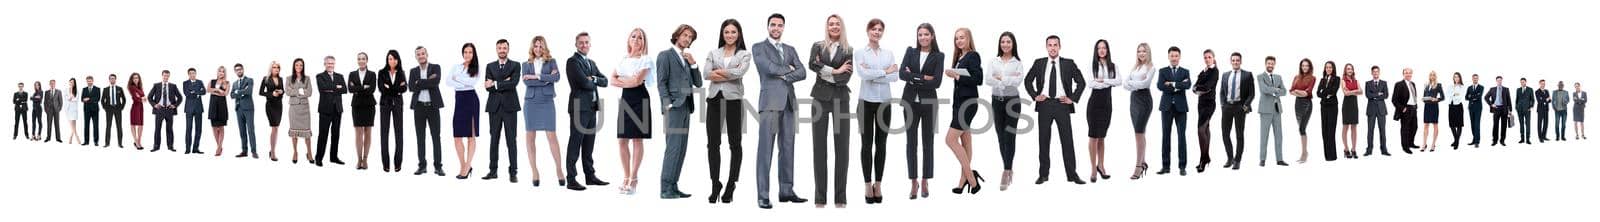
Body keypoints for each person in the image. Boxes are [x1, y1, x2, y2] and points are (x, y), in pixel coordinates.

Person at [754, 14, 811, 209]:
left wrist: (785, 73)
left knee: (787, 149)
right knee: (765, 151)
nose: (776, 28)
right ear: (767, 26)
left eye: (780, 25)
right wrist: (789, 69)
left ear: (783, 27)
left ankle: (786, 190)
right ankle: (763, 195)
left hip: (789, 103)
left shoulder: (790, 49)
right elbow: (768, 68)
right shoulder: (758, 47)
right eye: (773, 25)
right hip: (769, 103)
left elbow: (803, 72)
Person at [807, 15, 852, 207]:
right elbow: (812, 64)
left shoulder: (848, 49)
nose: (834, 27)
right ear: (827, 27)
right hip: (819, 100)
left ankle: (840, 197)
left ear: (842, 27)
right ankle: (820, 197)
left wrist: (824, 71)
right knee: (819, 148)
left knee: (842, 149)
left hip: (841, 100)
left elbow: (846, 77)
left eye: (837, 24)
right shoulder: (818, 46)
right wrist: (835, 70)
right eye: (831, 24)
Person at [708, 19, 752, 203]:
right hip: (714, 100)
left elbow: (740, 73)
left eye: (733, 32)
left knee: (735, 144)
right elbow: (705, 74)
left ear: (739, 34)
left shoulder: (744, 54)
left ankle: (731, 184)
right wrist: (730, 71)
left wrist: (719, 72)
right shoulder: (713, 52)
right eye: (726, 32)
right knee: (712, 144)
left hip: (733, 101)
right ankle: (715, 184)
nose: (730, 35)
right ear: (722, 34)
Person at [659, 25, 703, 200]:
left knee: (681, 149)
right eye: (685, 35)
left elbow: (698, 83)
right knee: (673, 147)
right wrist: (667, 104)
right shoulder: (665, 55)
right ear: (677, 35)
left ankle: (673, 185)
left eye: (690, 37)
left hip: (687, 107)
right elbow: (661, 82)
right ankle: (665, 188)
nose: (687, 39)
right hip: (675, 107)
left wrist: (693, 64)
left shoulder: (687, 58)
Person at [564, 33, 612, 189]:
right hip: (579, 108)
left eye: (586, 42)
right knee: (575, 142)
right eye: (581, 43)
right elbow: (584, 83)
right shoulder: (572, 62)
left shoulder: (591, 62)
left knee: (589, 144)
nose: (584, 45)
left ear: (590, 44)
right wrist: (591, 80)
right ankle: (571, 179)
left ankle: (590, 176)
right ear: (576, 44)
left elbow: (605, 81)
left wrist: (595, 79)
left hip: (592, 108)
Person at [943, 27, 985, 194]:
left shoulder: (973, 55)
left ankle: (972, 179)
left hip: (967, 104)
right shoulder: (959, 57)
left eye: (962, 37)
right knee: (965, 143)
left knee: (950, 140)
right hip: (958, 103)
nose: (959, 41)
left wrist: (957, 76)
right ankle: (962, 181)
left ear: (968, 39)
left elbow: (978, 79)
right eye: (956, 38)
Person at [612, 29, 653, 195]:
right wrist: (629, 81)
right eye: (634, 36)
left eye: (640, 37)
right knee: (622, 140)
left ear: (644, 42)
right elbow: (611, 80)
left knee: (637, 139)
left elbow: (638, 81)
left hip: (640, 99)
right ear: (629, 39)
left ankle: (634, 179)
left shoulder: (646, 59)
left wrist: (624, 80)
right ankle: (626, 176)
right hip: (626, 99)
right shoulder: (623, 59)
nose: (636, 39)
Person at [521, 37, 563, 186]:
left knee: (552, 136)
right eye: (535, 46)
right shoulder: (525, 64)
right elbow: (526, 82)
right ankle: (534, 171)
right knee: (530, 137)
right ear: (532, 48)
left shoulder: (552, 62)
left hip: (547, 101)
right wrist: (546, 79)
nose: (538, 49)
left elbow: (557, 77)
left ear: (544, 47)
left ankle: (559, 169)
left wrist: (536, 76)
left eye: (540, 46)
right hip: (531, 102)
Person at [987, 32, 1024, 187]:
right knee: (1001, 136)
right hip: (996, 102)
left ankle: (1007, 170)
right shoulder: (994, 61)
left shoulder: (1018, 63)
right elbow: (988, 79)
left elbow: (1018, 82)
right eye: (1003, 42)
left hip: (1012, 102)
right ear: (999, 44)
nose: (1006, 44)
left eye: (1008, 42)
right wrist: (1006, 81)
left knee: (1010, 136)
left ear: (1013, 44)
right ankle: (1007, 167)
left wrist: (1000, 79)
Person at [483, 40, 522, 182]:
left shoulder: (516, 65)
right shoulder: (490, 66)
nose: (502, 50)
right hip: (494, 107)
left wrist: (496, 82)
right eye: (499, 48)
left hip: (510, 107)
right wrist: (504, 81)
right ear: (496, 49)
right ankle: (492, 171)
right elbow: (487, 87)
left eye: (504, 48)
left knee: (511, 140)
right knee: (494, 140)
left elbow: (514, 83)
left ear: (508, 49)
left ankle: (513, 172)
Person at [410, 47, 447, 176]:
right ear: (416, 57)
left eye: (422, 53)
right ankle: (422, 166)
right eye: (418, 54)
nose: (421, 56)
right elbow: (411, 87)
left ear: (427, 54)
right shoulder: (413, 71)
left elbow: (435, 82)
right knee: (420, 138)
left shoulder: (436, 67)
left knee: (436, 137)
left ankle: (438, 167)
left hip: (433, 107)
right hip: (419, 107)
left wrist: (419, 82)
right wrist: (427, 81)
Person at [449, 43, 484, 179]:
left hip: (471, 100)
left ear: (473, 54)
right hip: (459, 101)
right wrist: (462, 81)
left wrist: (457, 79)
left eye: (470, 52)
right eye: (465, 52)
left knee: (471, 135)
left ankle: (467, 165)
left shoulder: (477, 68)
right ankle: (464, 165)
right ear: (462, 53)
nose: (467, 54)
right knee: (457, 136)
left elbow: (472, 83)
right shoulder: (456, 67)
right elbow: (448, 81)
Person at [1085, 39, 1118, 179]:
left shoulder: (1113, 66)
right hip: (1094, 104)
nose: (1102, 50)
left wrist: (1103, 81)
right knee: (1093, 137)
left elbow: (1119, 81)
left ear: (1107, 50)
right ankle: (1093, 168)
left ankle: (1101, 165)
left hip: (1107, 104)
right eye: (1099, 48)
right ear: (1096, 50)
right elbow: (1091, 84)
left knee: (1102, 137)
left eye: (1104, 48)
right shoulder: (1092, 65)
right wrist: (1107, 82)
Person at [1155, 46, 1191, 174]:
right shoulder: (1162, 71)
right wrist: (1178, 85)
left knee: (1182, 137)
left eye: (1176, 56)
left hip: (1181, 108)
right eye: (1172, 56)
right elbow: (1160, 86)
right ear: (1168, 57)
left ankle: (1182, 167)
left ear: (1179, 57)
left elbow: (1188, 85)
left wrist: (1172, 84)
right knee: (1166, 136)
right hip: (1166, 107)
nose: (1174, 58)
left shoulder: (1185, 71)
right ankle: (1165, 166)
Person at [1123, 43, 1155, 179]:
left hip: (1144, 101)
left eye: (1144, 51)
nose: (1141, 53)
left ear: (1148, 53)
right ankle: (1143, 162)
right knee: (1140, 133)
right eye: (1139, 51)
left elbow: (1145, 84)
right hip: (1134, 101)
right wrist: (1135, 84)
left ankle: (1138, 166)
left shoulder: (1151, 68)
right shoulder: (1135, 68)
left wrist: (1133, 84)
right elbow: (1125, 84)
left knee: (1139, 132)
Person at [1218, 52, 1255, 170]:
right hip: (1227, 107)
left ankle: (1237, 160)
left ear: (1241, 61)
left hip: (1240, 108)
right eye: (1233, 60)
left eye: (1237, 60)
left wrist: (1245, 106)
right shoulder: (1225, 75)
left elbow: (1251, 93)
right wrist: (1223, 105)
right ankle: (1230, 158)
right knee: (1225, 134)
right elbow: (1222, 92)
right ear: (1231, 61)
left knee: (1239, 135)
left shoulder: (1247, 75)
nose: (1235, 62)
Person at [314, 56, 349, 166]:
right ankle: (319, 158)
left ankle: (333, 157)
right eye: (328, 63)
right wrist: (336, 87)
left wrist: (331, 88)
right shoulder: (320, 76)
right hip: (325, 110)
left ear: (335, 64)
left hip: (337, 109)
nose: (330, 65)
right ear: (324, 64)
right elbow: (322, 88)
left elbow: (344, 89)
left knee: (336, 134)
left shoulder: (340, 76)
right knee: (323, 135)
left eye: (332, 63)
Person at [377, 50, 408, 172]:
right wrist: (396, 89)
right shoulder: (381, 72)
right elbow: (381, 89)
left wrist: (389, 87)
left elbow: (405, 88)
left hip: (398, 105)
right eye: (390, 58)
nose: (392, 61)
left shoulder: (401, 72)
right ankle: (385, 163)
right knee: (384, 134)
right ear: (387, 60)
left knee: (399, 134)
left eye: (394, 59)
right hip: (385, 105)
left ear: (398, 60)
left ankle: (398, 163)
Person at [349, 53, 379, 169]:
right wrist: (363, 87)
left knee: (368, 132)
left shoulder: (372, 74)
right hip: (356, 106)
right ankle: (359, 159)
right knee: (358, 133)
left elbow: (371, 90)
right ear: (357, 60)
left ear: (367, 60)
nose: (361, 61)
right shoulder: (352, 74)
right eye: (359, 59)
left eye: (363, 59)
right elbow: (350, 89)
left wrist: (358, 89)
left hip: (369, 105)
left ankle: (365, 159)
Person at [1257, 56, 1287, 167]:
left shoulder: (1278, 77)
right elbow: (1263, 89)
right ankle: (1262, 159)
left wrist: (1275, 91)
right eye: (1268, 63)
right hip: (1265, 110)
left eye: (1272, 63)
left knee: (1279, 135)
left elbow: (1284, 91)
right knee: (1264, 135)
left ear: (1274, 64)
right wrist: (1276, 90)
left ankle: (1279, 159)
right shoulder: (1260, 76)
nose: (1270, 65)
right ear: (1265, 64)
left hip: (1277, 109)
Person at [1192, 50, 1220, 172]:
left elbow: (1207, 87)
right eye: (1205, 57)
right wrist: (1198, 88)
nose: (1207, 59)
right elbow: (1194, 86)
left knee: (1200, 130)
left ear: (1213, 58)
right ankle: (1206, 158)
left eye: (1209, 57)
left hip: (1209, 104)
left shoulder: (1215, 71)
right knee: (1206, 129)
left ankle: (1203, 159)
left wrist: (1199, 88)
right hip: (1201, 104)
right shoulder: (1203, 71)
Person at [287, 59, 316, 163]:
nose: (299, 67)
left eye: (301, 65)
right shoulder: (289, 78)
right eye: (297, 65)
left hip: (304, 109)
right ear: (294, 66)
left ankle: (310, 153)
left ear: (303, 66)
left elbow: (310, 92)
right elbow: (287, 91)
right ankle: (295, 152)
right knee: (294, 134)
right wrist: (300, 91)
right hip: (294, 109)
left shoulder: (307, 78)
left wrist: (295, 91)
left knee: (307, 133)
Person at [1289, 59, 1316, 163]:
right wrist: (1300, 92)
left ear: (1310, 67)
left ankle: (1304, 153)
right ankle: (1304, 152)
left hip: (1307, 105)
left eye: (1307, 66)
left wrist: (1297, 92)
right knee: (1301, 129)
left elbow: (1307, 93)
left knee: (1302, 128)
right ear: (1300, 67)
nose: (1305, 67)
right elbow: (1291, 91)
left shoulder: (1312, 78)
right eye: (1303, 66)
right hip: (1297, 105)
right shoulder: (1296, 77)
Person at [231, 64, 258, 158]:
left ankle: (254, 151)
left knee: (251, 130)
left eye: (240, 69)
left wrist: (237, 92)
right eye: (237, 70)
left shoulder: (249, 80)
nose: (239, 71)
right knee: (242, 131)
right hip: (238, 109)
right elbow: (231, 95)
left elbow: (249, 91)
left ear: (243, 69)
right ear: (235, 71)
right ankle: (244, 151)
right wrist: (242, 92)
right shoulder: (234, 83)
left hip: (248, 108)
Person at [149, 71, 180, 152]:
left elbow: (180, 97)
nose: (166, 77)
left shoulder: (173, 86)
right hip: (159, 110)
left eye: (167, 76)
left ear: (169, 76)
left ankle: (170, 146)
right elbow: (149, 97)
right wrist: (154, 104)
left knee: (169, 129)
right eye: (164, 76)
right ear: (162, 76)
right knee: (157, 129)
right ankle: (156, 146)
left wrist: (175, 105)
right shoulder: (156, 85)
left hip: (169, 110)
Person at [1315, 61, 1340, 159]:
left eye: (1330, 67)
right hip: (1323, 106)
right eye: (1327, 67)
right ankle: (1327, 156)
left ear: (1333, 69)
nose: (1328, 69)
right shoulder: (1322, 80)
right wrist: (1326, 94)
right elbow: (1317, 93)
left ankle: (1332, 156)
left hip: (1332, 107)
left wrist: (1323, 92)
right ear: (1325, 69)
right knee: (1324, 131)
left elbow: (1333, 91)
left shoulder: (1337, 79)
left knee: (1331, 130)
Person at [260, 62, 284, 160]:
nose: (276, 69)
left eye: (278, 67)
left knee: (276, 128)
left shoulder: (281, 79)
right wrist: (271, 94)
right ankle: (273, 152)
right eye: (274, 67)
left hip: (279, 106)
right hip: (270, 106)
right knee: (274, 127)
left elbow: (283, 90)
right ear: (271, 68)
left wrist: (282, 92)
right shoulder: (265, 79)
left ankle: (272, 150)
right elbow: (261, 92)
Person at [1393, 68, 1421, 153]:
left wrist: (1416, 106)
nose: (1408, 74)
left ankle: (1410, 143)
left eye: (1410, 73)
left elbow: (1413, 96)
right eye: (1406, 73)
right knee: (1405, 129)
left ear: (1412, 74)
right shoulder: (1399, 84)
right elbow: (1394, 100)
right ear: (1403, 74)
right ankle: (1405, 147)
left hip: (1413, 108)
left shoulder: (1413, 84)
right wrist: (1402, 108)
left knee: (1414, 127)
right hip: (1405, 109)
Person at [1364, 66, 1389, 156]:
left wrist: (1374, 95)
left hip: (1381, 110)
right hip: (1371, 110)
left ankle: (1384, 150)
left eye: (1377, 72)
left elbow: (1386, 95)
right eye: (1374, 72)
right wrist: (1378, 94)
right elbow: (1367, 95)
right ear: (1372, 73)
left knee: (1382, 130)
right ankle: (1369, 150)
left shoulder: (1384, 83)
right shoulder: (1368, 83)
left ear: (1379, 73)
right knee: (1370, 130)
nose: (1375, 73)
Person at [207, 67, 230, 156]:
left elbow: (225, 94)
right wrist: (218, 90)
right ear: (217, 72)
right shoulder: (212, 81)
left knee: (221, 127)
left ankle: (219, 148)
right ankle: (219, 147)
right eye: (220, 71)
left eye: (223, 72)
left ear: (224, 73)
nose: (221, 73)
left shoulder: (227, 83)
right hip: (212, 106)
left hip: (222, 106)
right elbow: (208, 90)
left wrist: (215, 91)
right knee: (214, 127)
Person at [182, 68, 206, 154]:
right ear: (188, 74)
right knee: (189, 128)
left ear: (196, 74)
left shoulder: (200, 82)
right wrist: (198, 91)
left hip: (199, 108)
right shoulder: (185, 83)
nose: (192, 75)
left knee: (198, 129)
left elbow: (204, 92)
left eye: (194, 73)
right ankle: (188, 148)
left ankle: (196, 148)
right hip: (189, 108)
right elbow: (186, 93)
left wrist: (194, 91)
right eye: (191, 73)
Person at [1339, 64, 1361, 157]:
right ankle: (1346, 149)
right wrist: (1355, 91)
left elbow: (1361, 92)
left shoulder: (1356, 80)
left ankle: (1354, 149)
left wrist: (1351, 91)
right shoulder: (1343, 80)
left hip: (1354, 105)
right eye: (1348, 69)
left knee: (1354, 128)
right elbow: (1345, 93)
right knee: (1345, 127)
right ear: (1345, 70)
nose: (1350, 70)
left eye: (1351, 69)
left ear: (1353, 70)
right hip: (1347, 105)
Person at [102, 74, 126, 148]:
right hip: (109, 109)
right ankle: (107, 143)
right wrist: (105, 108)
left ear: (115, 79)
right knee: (108, 126)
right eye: (111, 78)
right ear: (109, 80)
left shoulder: (120, 88)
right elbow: (102, 100)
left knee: (119, 126)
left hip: (117, 109)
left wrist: (121, 108)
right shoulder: (105, 89)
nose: (112, 80)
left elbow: (124, 99)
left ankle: (120, 143)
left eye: (113, 78)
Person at [1420, 71, 1443, 152]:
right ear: (1429, 76)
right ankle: (1424, 144)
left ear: (1435, 76)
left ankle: (1433, 144)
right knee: (1426, 125)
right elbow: (1424, 96)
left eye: (1433, 75)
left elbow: (1442, 97)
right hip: (1427, 107)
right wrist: (1423, 99)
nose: (1432, 76)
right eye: (1431, 75)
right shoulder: (1426, 85)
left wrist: (1436, 99)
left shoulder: (1438, 85)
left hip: (1434, 107)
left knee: (1435, 125)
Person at [1487, 76, 1512, 146]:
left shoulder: (1506, 89)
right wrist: (1491, 104)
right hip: (1496, 109)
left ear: (1502, 81)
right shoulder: (1492, 89)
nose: (1499, 81)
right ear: (1496, 81)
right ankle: (1495, 140)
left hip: (1504, 109)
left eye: (1500, 80)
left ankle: (1502, 140)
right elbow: (1486, 97)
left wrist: (1510, 110)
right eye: (1498, 80)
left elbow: (1509, 100)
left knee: (1504, 126)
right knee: (1495, 125)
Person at [1448, 73, 1468, 148]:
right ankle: (1456, 140)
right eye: (1455, 77)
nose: (1456, 78)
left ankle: (1456, 142)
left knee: (1459, 124)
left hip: (1459, 106)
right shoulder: (1450, 86)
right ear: (1453, 78)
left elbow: (1460, 96)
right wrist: (1454, 94)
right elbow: (1448, 95)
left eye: (1457, 77)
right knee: (1452, 125)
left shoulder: (1462, 87)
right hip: (1451, 106)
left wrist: (1453, 95)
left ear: (1460, 78)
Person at [1466, 74, 1485, 148]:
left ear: (1478, 79)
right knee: (1472, 124)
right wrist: (1473, 96)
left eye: (1476, 78)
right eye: (1474, 78)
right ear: (1472, 79)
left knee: (1477, 124)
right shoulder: (1469, 87)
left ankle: (1477, 141)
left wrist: (1471, 96)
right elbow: (1466, 97)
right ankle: (1474, 139)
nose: (1475, 79)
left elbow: (1479, 96)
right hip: (1471, 107)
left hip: (1478, 108)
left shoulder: (1481, 87)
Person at [81, 75, 101, 146]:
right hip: (86, 110)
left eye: (90, 81)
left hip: (95, 110)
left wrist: (88, 99)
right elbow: (82, 99)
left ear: (93, 81)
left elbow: (97, 98)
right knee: (86, 126)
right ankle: (86, 141)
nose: (89, 82)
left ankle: (96, 141)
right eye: (88, 81)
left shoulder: (97, 89)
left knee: (96, 126)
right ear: (86, 81)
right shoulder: (84, 89)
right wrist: (91, 99)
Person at [127, 74, 145, 150]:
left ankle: (138, 141)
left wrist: (140, 96)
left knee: (141, 124)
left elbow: (143, 96)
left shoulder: (139, 87)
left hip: (141, 107)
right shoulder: (131, 87)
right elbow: (136, 98)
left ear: (139, 79)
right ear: (132, 79)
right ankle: (136, 141)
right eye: (134, 78)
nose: (135, 79)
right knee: (133, 124)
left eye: (137, 78)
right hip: (135, 107)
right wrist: (141, 98)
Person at [1515, 78, 1534, 145]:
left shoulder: (1530, 89)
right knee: (1521, 124)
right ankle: (1522, 139)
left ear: (1526, 82)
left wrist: (1531, 107)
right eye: (1521, 82)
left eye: (1523, 82)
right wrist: (1516, 107)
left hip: (1527, 109)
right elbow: (1516, 99)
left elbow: (1532, 99)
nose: (1522, 83)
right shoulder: (1518, 89)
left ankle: (1528, 139)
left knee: (1528, 124)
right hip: (1519, 110)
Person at [66, 79, 83, 145]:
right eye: (70, 82)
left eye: (72, 82)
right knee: (72, 126)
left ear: (74, 83)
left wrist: (71, 98)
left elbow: (76, 99)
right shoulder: (66, 90)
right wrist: (71, 98)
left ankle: (70, 139)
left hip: (74, 110)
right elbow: (66, 99)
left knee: (73, 126)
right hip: (68, 110)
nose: (71, 83)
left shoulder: (77, 91)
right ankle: (77, 139)